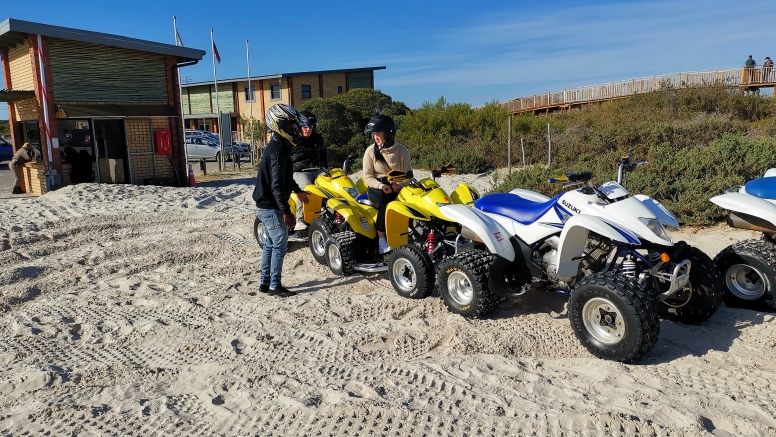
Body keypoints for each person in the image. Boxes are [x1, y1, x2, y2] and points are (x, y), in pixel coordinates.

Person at [252, 104, 310, 297]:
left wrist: (298, 191)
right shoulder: (277, 150)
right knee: (280, 245)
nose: (294, 130)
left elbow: (285, 178)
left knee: (270, 244)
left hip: (266, 204)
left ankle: (264, 283)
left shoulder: (280, 146)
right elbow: (277, 184)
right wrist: (286, 211)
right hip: (271, 206)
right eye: (290, 126)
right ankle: (274, 286)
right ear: (279, 126)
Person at [362, 115, 412, 254]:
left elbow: (409, 176)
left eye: (378, 133)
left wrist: (400, 186)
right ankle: (382, 241)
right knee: (385, 205)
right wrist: (381, 186)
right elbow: (367, 177)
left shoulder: (402, 151)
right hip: (377, 186)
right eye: (374, 134)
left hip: (397, 185)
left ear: (389, 133)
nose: (375, 137)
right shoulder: (370, 151)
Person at [289, 110, 327, 231]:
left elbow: (323, 154)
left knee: (330, 184)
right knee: (305, 187)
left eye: (310, 126)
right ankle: (300, 220)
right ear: (299, 126)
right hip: (299, 171)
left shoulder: (318, 138)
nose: (308, 129)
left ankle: (331, 214)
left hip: (317, 170)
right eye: (305, 126)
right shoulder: (291, 139)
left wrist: (326, 168)